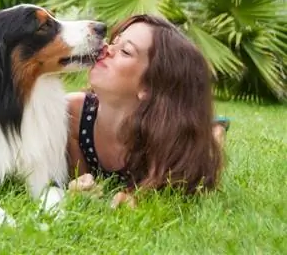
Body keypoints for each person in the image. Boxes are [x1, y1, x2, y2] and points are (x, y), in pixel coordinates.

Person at [66, 14, 229, 203]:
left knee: (211, 135)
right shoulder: (72, 114)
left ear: (150, 87)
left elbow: (188, 182)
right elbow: (80, 178)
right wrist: (82, 186)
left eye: (125, 52)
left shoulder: (170, 138)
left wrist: (137, 197)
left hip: (191, 128)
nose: (106, 49)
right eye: (113, 42)